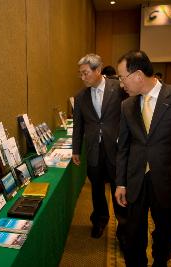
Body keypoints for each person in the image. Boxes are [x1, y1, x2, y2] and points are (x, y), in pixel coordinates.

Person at [115, 50, 171, 267]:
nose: (120, 84)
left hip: (169, 182)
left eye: (122, 77)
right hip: (136, 181)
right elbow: (124, 147)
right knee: (132, 233)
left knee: (167, 231)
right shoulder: (126, 105)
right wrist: (120, 182)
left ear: (137, 75)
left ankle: (160, 261)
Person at [72, 54, 127, 242]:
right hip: (94, 150)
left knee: (118, 188)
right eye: (80, 74)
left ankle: (123, 227)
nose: (82, 77)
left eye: (85, 73)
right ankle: (99, 220)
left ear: (98, 70)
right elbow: (78, 125)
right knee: (96, 189)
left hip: (116, 149)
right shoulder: (80, 97)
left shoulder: (119, 88)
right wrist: (76, 150)